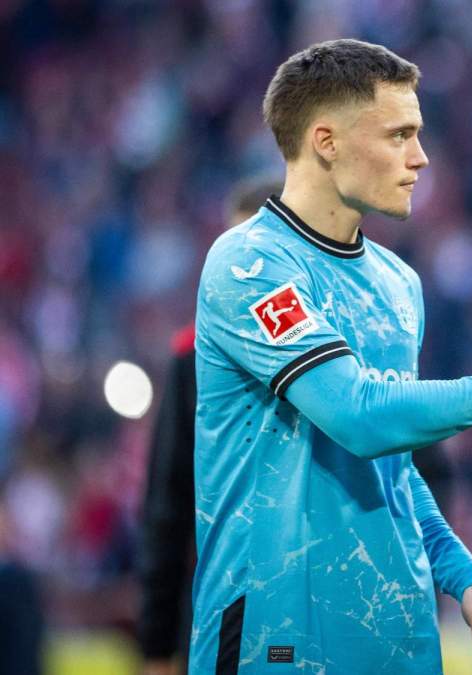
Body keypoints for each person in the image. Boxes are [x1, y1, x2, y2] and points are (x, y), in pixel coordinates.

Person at [189, 39, 472, 675]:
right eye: (399, 135)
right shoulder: (249, 264)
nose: (421, 156)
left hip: (397, 637)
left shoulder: (398, 283)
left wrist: (461, 572)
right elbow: (360, 416)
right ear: (326, 142)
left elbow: (394, 469)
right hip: (279, 634)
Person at [137, 178, 280, 675]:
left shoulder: (337, 356)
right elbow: (168, 503)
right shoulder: (193, 357)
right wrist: (157, 644)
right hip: (217, 611)